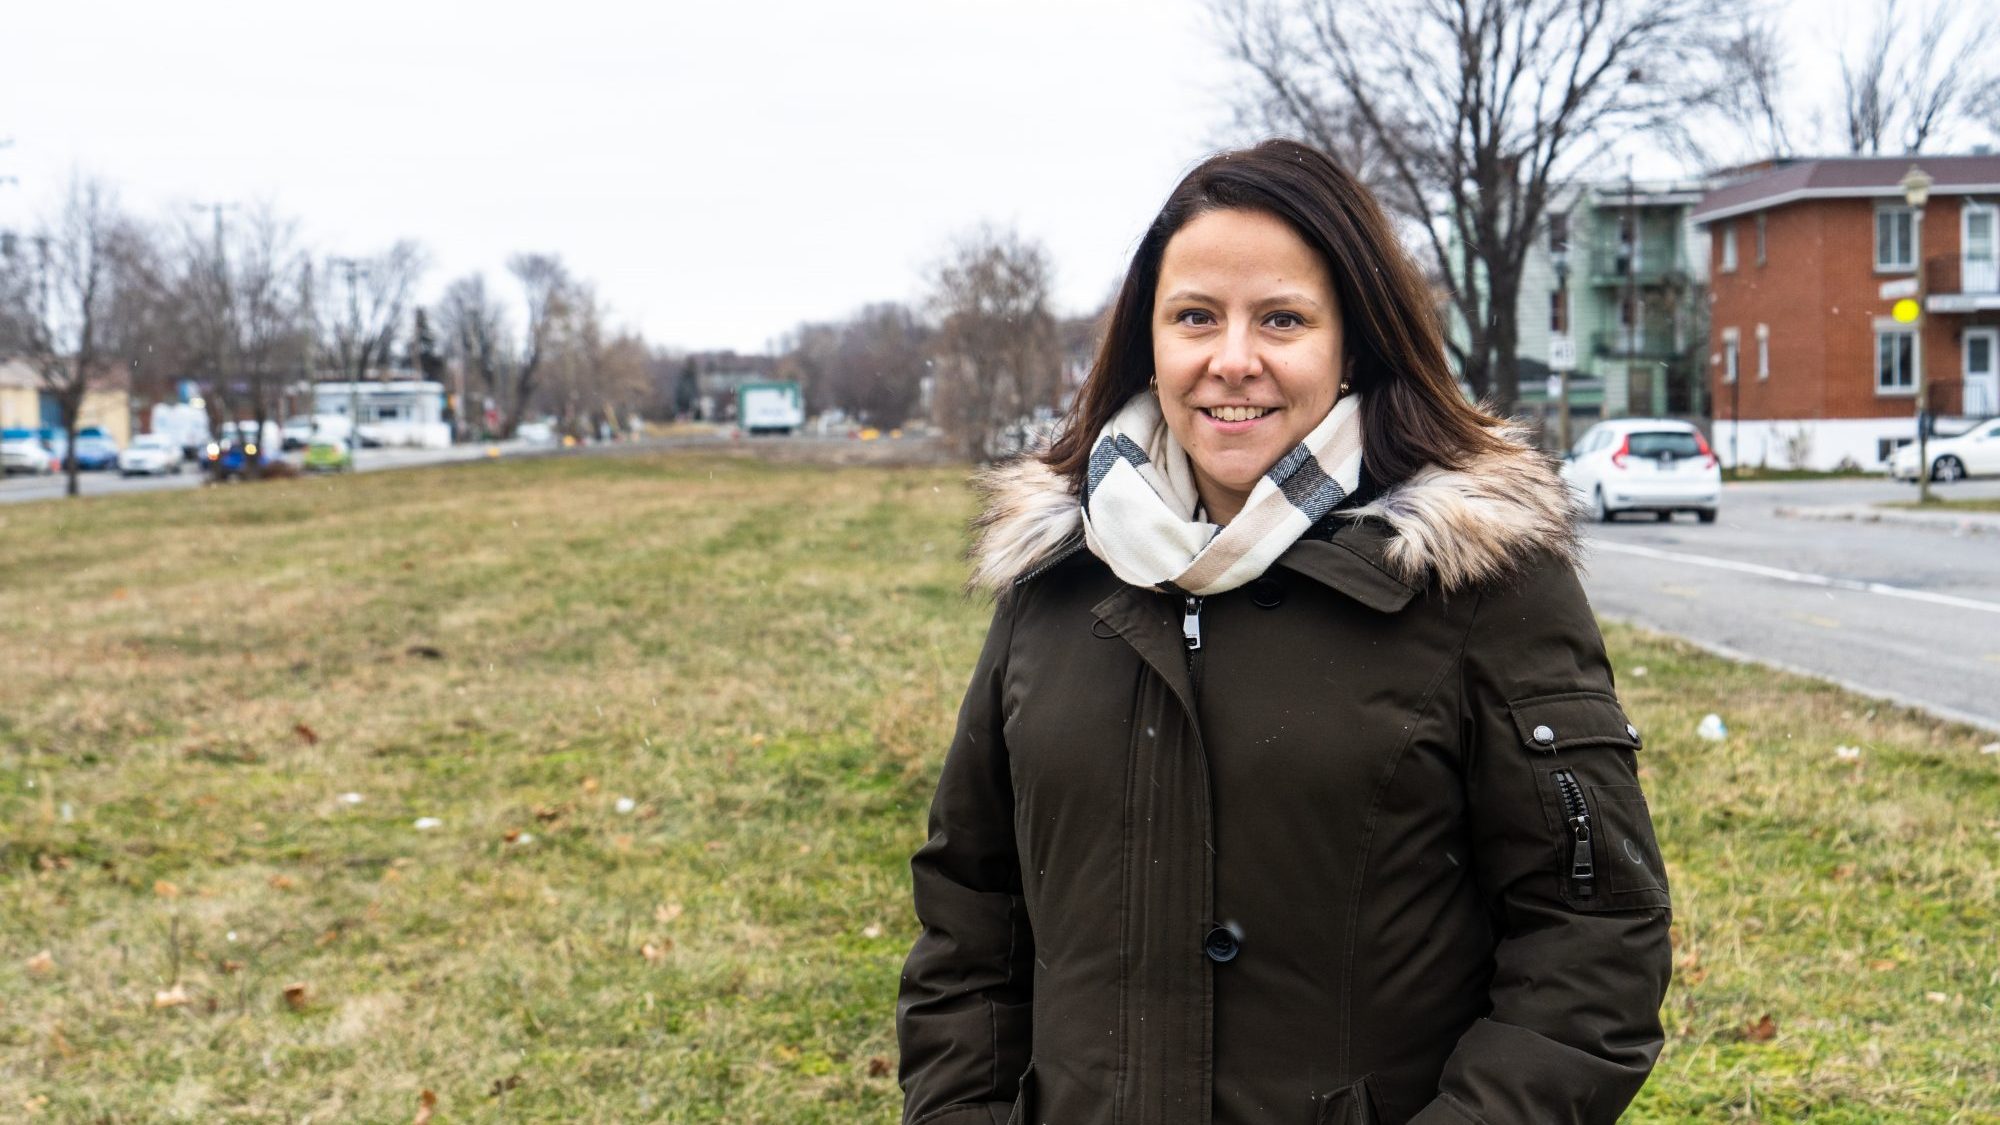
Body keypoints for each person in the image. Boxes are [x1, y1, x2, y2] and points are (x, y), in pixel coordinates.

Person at [897, 139, 1672, 1125]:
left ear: (1351, 343)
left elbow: (1589, 939)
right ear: (1147, 344)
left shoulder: (1473, 579)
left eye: (1280, 319)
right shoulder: (1057, 576)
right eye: (1193, 318)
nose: (1231, 360)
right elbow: (970, 914)